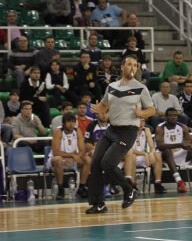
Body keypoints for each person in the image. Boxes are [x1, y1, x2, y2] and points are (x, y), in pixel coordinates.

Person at [85, 55, 156, 215]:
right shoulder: (112, 86)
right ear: (123, 67)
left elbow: (152, 110)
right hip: (111, 130)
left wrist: (142, 112)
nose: (132, 67)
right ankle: (99, 203)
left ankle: (129, 190)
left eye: (135, 65)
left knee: (107, 163)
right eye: (129, 64)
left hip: (128, 131)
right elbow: (104, 105)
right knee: (96, 163)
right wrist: (98, 109)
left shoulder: (140, 87)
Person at [155, 108, 192, 193]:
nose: (173, 117)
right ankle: (179, 182)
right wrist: (180, 144)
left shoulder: (183, 127)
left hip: (180, 152)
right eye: (171, 115)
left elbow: (191, 143)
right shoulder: (160, 128)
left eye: (175, 115)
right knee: (167, 151)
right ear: (166, 117)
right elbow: (160, 146)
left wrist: (188, 146)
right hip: (165, 156)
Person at [47, 113, 90, 199]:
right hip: (57, 159)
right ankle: (61, 188)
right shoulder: (58, 132)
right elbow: (56, 152)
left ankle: (82, 187)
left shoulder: (77, 131)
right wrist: (72, 155)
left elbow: (82, 150)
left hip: (72, 160)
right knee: (58, 159)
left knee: (87, 160)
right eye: (69, 122)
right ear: (64, 123)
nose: (71, 124)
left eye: (73, 122)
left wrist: (74, 158)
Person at [122, 117, 167, 194]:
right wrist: (145, 153)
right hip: (131, 156)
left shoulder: (146, 130)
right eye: (139, 121)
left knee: (157, 155)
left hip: (144, 157)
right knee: (131, 156)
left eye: (143, 121)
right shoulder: (128, 131)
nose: (141, 123)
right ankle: (132, 185)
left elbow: (152, 146)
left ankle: (157, 184)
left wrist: (151, 153)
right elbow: (128, 149)